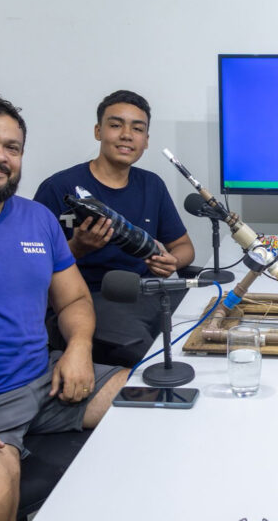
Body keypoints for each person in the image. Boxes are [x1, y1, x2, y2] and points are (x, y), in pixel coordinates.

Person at [0, 91, 128, 520]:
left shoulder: (37, 219)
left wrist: (79, 348)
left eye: (12, 147)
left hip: (47, 383)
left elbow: (74, 298)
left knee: (159, 400)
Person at [34, 90, 195, 367]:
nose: (127, 135)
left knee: (208, 318)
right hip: (87, 299)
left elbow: (184, 248)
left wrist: (172, 261)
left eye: (137, 129)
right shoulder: (58, 188)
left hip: (149, 291)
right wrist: (77, 249)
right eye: (116, 125)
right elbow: (32, 267)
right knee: (149, 357)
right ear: (98, 131)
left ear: (146, 140)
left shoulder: (152, 185)